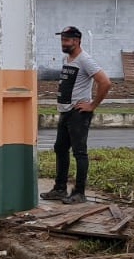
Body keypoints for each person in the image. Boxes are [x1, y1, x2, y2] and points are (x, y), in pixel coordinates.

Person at [40, 26, 110, 205]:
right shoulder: (67, 58)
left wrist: (92, 105)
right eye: (62, 39)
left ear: (77, 41)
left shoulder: (85, 60)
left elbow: (105, 82)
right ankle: (60, 189)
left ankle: (79, 192)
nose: (63, 43)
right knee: (60, 148)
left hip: (78, 113)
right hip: (65, 112)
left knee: (80, 152)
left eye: (67, 40)